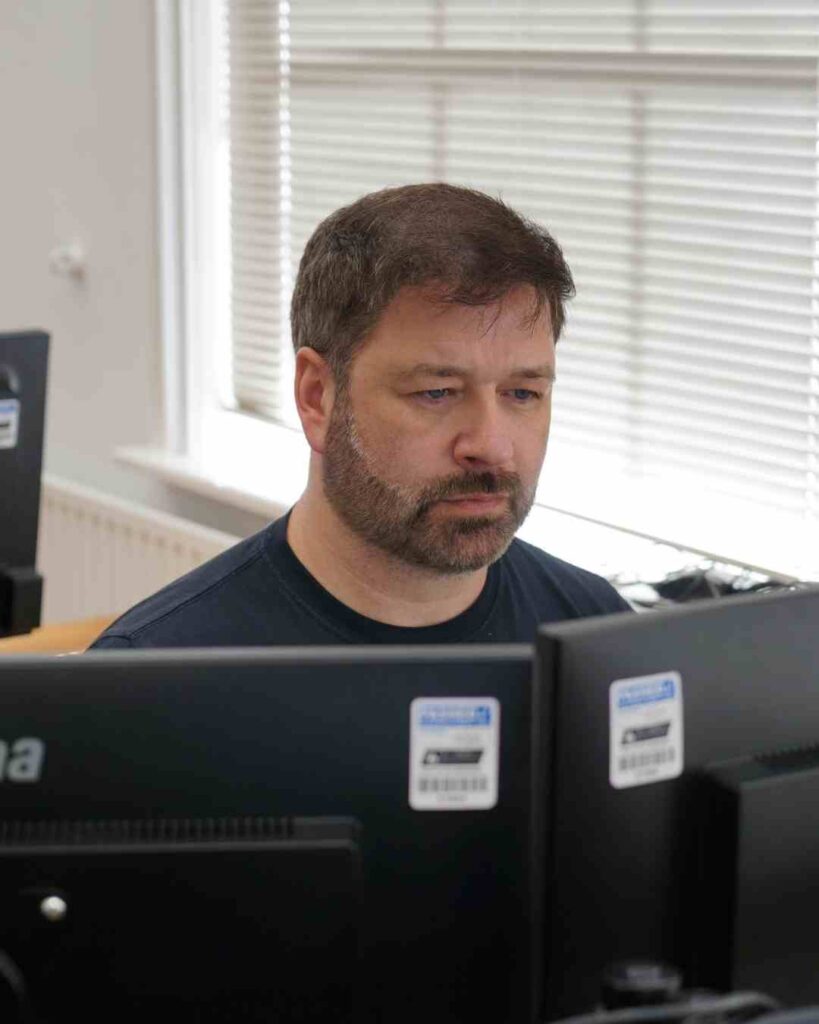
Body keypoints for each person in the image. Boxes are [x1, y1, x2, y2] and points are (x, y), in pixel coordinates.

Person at [92, 183, 630, 650]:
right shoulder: (157, 679)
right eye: (437, 392)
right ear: (318, 397)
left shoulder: (597, 631)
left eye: (522, 394)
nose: (491, 445)